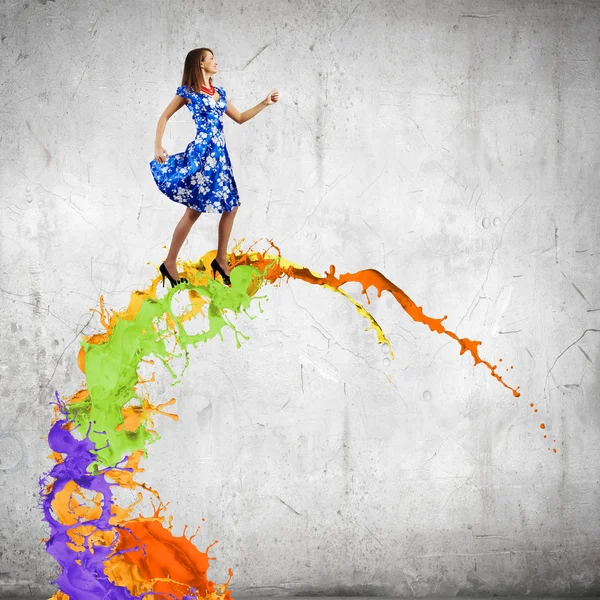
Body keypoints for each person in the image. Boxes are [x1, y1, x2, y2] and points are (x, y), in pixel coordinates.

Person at [149, 47, 279, 287]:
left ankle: (220, 258)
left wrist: (264, 103)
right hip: (202, 155)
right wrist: (158, 146)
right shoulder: (188, 92)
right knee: (194, 211)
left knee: (232, 205)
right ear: (200, 64)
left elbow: (239, 118)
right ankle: (170, 263)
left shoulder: (219, 91)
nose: (215, 62)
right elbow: (164, 117)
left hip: (220, 156)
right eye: (211, 58)